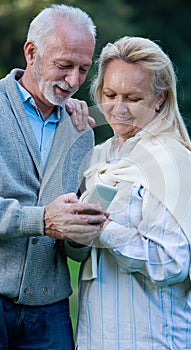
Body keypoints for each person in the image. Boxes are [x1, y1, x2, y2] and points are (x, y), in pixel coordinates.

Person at [71, 36, 191, 349]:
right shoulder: (97, 157)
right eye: (110, 94)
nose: (118, 109)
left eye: (133, 98)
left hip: (154, 336)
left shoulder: (171, 159)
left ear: (159, 98)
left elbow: (172, 262)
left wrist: (102, 228)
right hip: (98, 335)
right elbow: (79, 252)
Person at [0, 4, 107, 350]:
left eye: (82, 69)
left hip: (50, 311)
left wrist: (81, 231)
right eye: (64, 66)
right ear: (31, 52)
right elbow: (47, 220)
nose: (74, 81)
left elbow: (74, 250)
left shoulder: (81, 130)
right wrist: (43, 219)